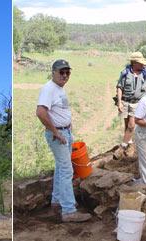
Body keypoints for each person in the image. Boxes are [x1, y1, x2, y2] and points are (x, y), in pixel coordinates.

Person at [36, 59, 92, 222]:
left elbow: (59, 111)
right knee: (67, 170)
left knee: (61, 168)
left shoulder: (59, 88)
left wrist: (68, 127)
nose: (65, 75)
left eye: (67, 72)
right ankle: (68, 211)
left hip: (64, 132)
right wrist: (56, 132)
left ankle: (56, 202)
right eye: (61, 72)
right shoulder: (49, 89)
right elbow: (40, 112)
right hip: (58, 135)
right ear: (53, 72)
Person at [116, 52, 146, 157]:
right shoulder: (125, 72)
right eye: (140, 63)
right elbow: (120, 87)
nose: (143, 65)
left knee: (131, 125)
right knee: (127, 125)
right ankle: (130, 145)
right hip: (126, 102)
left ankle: (123, 146)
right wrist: (119, 102)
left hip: (138, 103)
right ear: (134, 63)